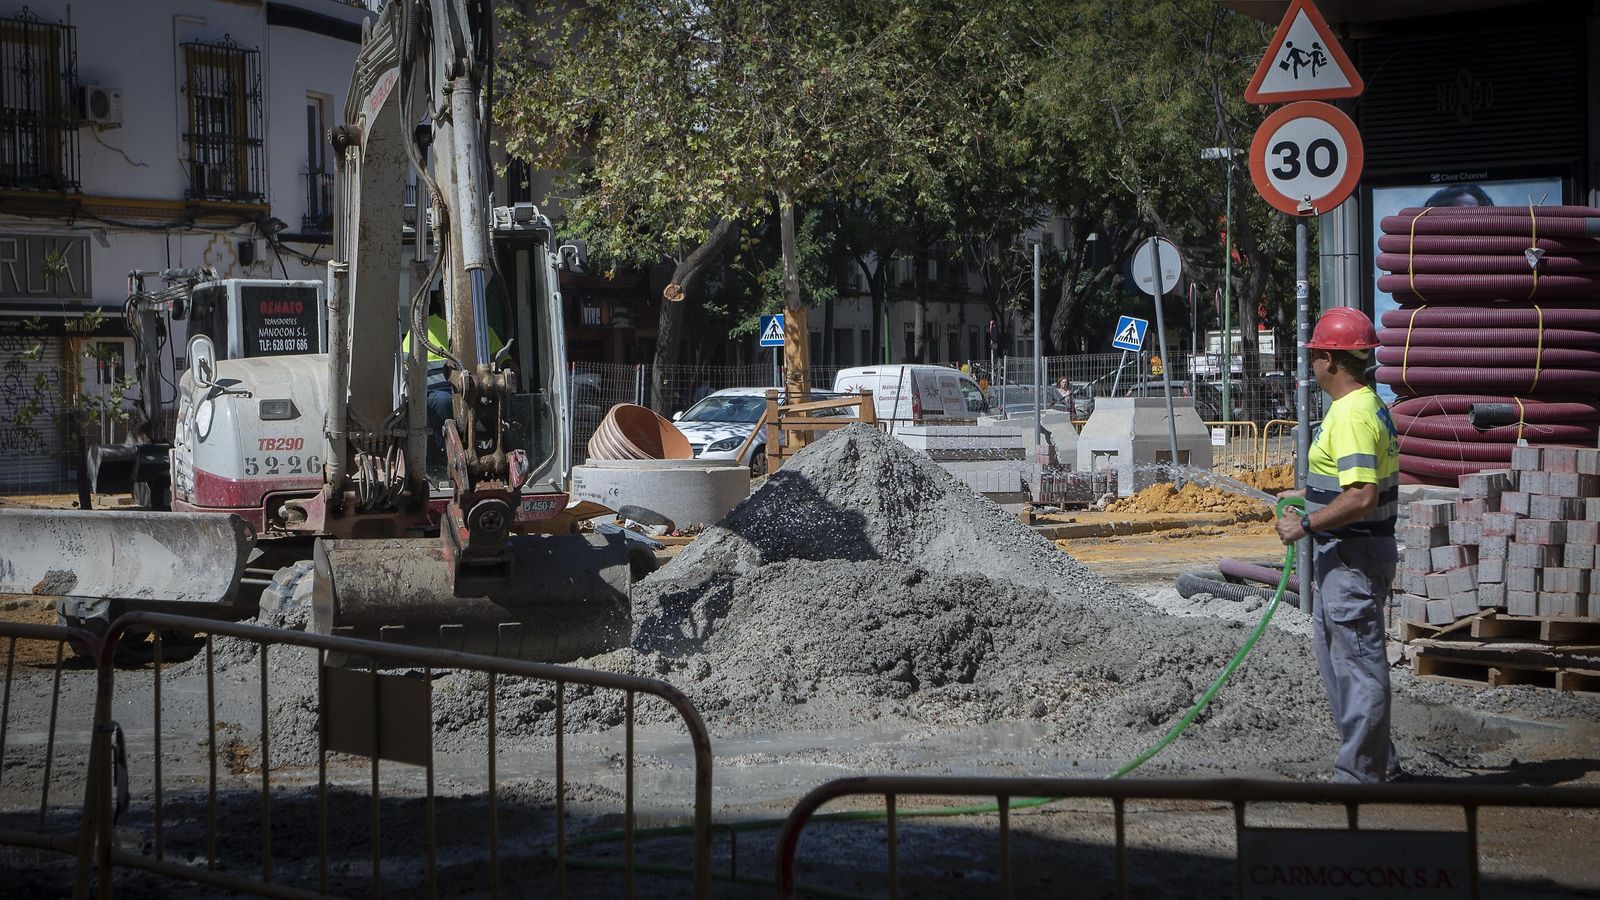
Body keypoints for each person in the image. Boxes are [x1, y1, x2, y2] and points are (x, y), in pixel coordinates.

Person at [1275, 307, 1401, 783]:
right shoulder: (1366, 406)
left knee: (1359, 669)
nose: (1311, 364)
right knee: (1345, 667)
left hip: (1352, 558)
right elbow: (1353, 483)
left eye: (1314, 355)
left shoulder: (1350, 414)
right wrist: (1307, 495)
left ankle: (1359, 778)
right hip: (1351, 556)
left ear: (1330, 359)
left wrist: (1305, 525)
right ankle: (1377, 763)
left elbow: (1362, 496)